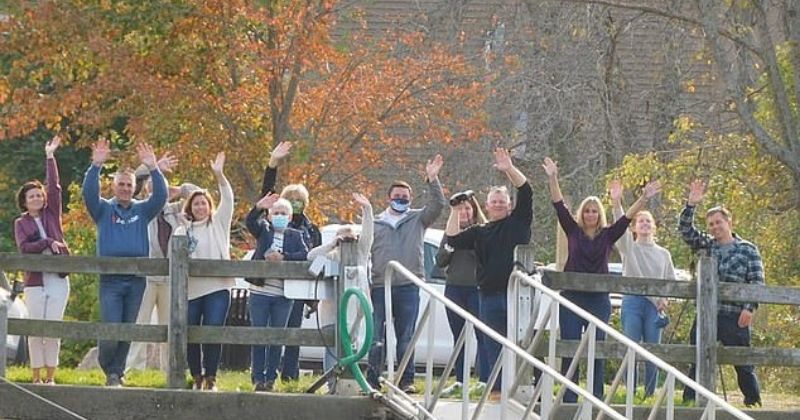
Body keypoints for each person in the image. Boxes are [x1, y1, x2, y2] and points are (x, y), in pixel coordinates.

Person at [542, 157, 659, 403]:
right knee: (570, 347)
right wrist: (553, 177)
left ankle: (596, 395)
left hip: (598, 300)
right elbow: (558, 203)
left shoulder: (607, 236)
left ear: (599, 214)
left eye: (595, 210)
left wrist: (644, 198)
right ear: (582, 213)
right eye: (587, 210)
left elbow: (627, 218)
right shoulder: (572, 230)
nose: (591, 214)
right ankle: (569, 396)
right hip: (572, 297)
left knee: (598, 348)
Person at [445, 148, 532, 396]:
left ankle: (520, 390)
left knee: (519, 345)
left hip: (517, 295)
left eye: (502, 201)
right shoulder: (480, 231)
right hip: (489, 294)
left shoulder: (518, 222)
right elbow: (452, 238)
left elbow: (526, 190)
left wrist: (509, 169)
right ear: (487, 205)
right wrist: (454, 209)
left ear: (509, 205)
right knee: (492, 344)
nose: (497, 205)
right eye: (493, 201)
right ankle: (496, 392)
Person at [82, 138, 167, 387]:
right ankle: (109, 366)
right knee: (111, 329)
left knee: (127, 329)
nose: (125, 188)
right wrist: (96, 166)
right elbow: (89, 193)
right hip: (110, 280)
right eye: (121, 184)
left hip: (136, 279)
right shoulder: (103, 211)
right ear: (114, 186)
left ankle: (115, 373)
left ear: (134, 187)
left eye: (129, 185)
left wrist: (154, 168)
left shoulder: (142, 211)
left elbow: (160, 197)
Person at [679, 179, 763, 407]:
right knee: (696, 355)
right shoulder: (707, 245)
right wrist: (691, 205)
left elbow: (757, 281)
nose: (715, 227)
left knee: (742, 360)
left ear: (729, 221)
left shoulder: (747, 249)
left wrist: (749, 308)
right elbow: (686, 231)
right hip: (708, 312)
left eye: (718, 223)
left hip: (734, 314)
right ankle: (690, 398)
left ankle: (752, 398)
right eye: (711, 225)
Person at [367, 154, 446, 393]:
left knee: (406, 336)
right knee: (376, 336)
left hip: (408, 286)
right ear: (388, 198)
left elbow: (439, 205)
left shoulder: (417, 219)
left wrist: (433, 179)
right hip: (380, 286)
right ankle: (372, 378)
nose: (400, 200)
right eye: (396, 196)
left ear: (410, 199)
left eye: (404, 197)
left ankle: (406, 380)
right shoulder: (376, 221)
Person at [127, 155, 199, 372]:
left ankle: (171, 371)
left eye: (160, 187)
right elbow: (136, 180)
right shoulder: (139, 209)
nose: (155, 190)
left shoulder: (176, 210)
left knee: (171, 326)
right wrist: (154, 168)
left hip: (170, 278)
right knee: (140, 324)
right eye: (152, 186)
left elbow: (199, 194)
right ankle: (131, 370)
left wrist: (179, 189)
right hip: (146, 277)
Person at [259, 141, 323, 382]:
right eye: (291, 199)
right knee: (272, 333)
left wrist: (313, 296)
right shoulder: (273, 221)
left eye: (299, 200)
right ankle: (267, 374)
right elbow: (266, 193)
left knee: (294, 333)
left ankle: (290, 376)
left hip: (298, 288)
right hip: (272, 286)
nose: (295, 203)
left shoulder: (311, 228)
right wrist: (273, 163)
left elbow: (315, 258)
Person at [171, 152, 234, 391]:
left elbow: (228, 198)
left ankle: (211, 377)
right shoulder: (182, 230)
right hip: (191, 290)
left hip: (217, 287)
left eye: (204, 203)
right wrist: (185, 229)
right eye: (195, 203)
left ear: (209, 206)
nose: (200, 206)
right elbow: (178, 255)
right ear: (190, 207)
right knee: (191, 332)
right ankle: (196, 375)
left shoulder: (218, 223)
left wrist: (219, 175)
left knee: (212, 331)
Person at [610, 180, 677, 397]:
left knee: (652, 351)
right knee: (632, 347)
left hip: (654, 305)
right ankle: (629, 393)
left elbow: (670, 281)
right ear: (635, 227)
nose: (645, 224)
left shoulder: (664, 253)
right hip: (632, 301)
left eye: (648, 221)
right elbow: (620, 222)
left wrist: (664, 300)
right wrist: (616, 202)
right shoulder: (628, 247)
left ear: (654, 226)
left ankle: (649, 394)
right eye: (641, 221)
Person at [14, 135, 71, 385]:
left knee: (53, 327)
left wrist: (50, 157)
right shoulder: (21, 223)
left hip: (58, 278)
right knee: (36, 329)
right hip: (35, 281)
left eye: (39, 195)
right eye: (32, 196)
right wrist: (48, 242)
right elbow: (25, 248)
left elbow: (55, 187)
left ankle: (50, 376)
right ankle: (35, 376)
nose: (37, 198)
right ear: (25, 201)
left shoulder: (52, 214)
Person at [306, 193, 374, 390]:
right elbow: (311, 258)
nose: (347, 238)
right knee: (332, 347)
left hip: (354, 310)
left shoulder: (361, 253)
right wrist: (333, 243)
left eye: (350, 235)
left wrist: (367, 210)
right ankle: (331, 384)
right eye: (343, 235)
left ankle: (348, 383)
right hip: (330, 311)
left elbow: (369, 235)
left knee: (350, 346)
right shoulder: (331, 255)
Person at [246, 193, 309, 392]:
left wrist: (284, 257)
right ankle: (258, 377)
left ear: (289, 217)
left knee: (277, 337)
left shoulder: (295, 235)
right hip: (260, 292)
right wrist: (259, 207)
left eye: (284, 213)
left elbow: (304, 255)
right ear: (270, 216)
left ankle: (271, 377)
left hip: (283, 295)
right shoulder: (264, 230)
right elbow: (250, 223)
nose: (280, 215)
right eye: (276, 212)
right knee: (259, 335)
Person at [436, 191, 488, 397]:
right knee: (459, 337)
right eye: (460, 209)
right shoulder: (451, 232)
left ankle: (485, 379)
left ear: (474, 210)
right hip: (455, 288)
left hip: (477, 289)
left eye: (467, 208)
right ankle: (460, 380)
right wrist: (451, 243)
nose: (464, 212)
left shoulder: (483, 231)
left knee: (482, 335)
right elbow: (440, 261)